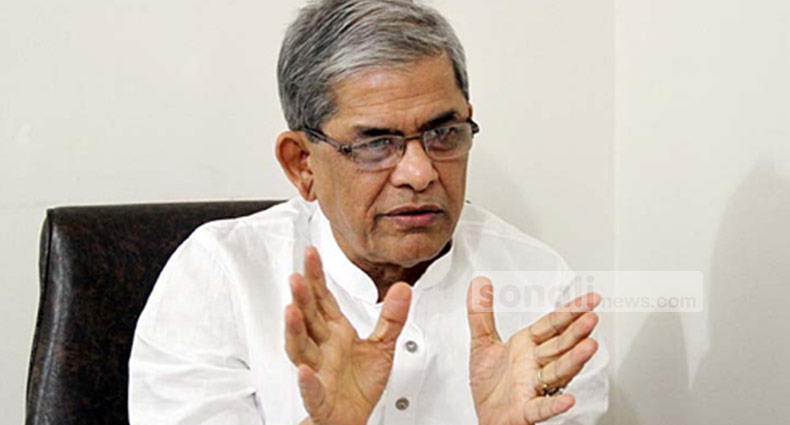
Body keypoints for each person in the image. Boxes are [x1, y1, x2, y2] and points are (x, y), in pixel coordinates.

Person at [129, 0, 609, 424]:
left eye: (443, 134)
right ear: (303, 164)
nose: (419, 173)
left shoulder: (541, 289)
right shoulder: (221, 278)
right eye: (376, 143)